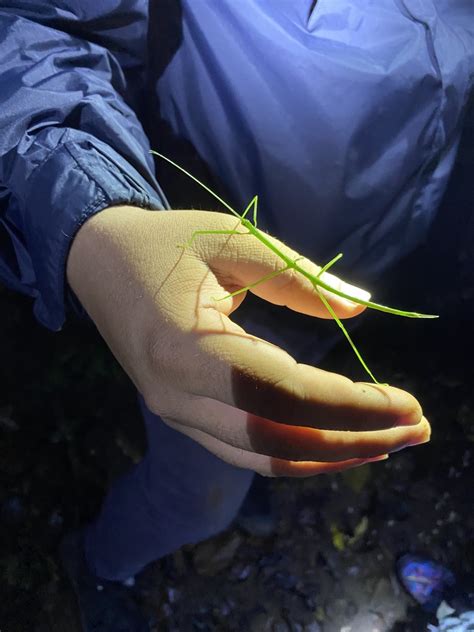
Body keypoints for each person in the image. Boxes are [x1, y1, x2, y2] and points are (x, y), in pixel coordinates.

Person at [1, 1, 472, 630]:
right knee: (200, 496)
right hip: (216, 270)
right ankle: (98, 564)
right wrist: (98, 228)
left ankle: (254, 473)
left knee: (301, 383)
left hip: (357, 264)